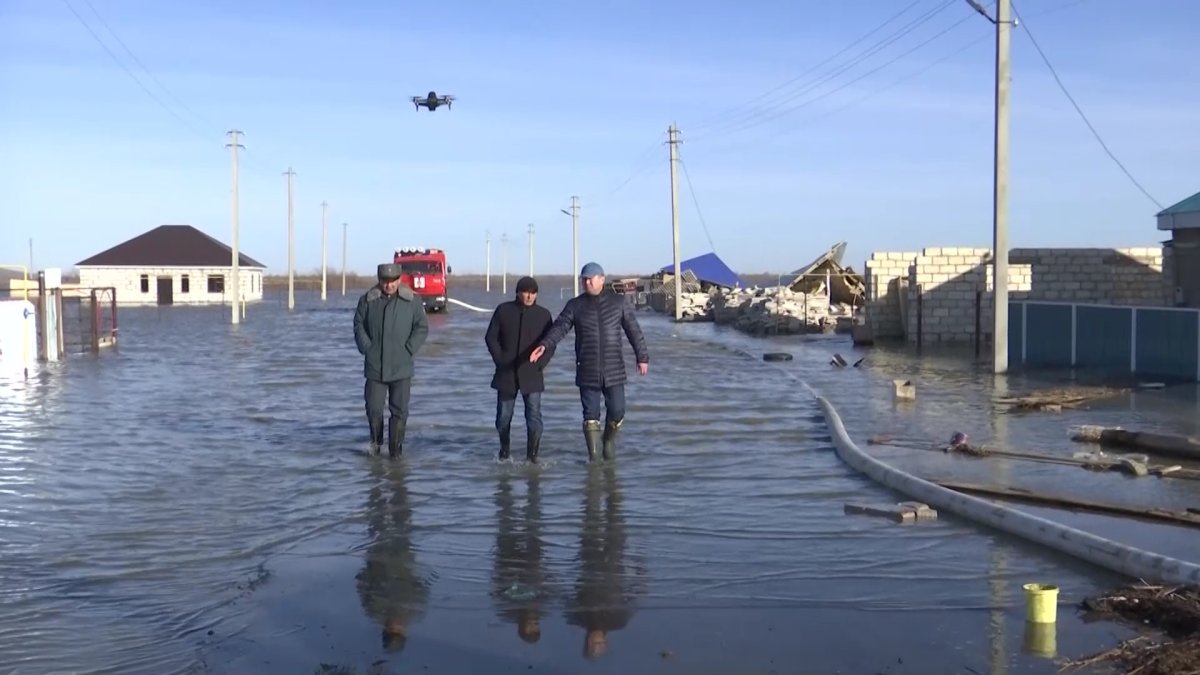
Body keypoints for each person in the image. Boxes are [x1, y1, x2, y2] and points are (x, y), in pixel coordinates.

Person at [530, 262, 648, 462]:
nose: (586, 282)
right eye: (583, 279)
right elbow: (560, 327)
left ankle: (608, 442)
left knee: (618, 410)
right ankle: (594, 458)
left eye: (590, 278)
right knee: (590, 415)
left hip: (614, 369)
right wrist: (545, 345)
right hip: (587, 368)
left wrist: (642, 357)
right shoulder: (575, 305)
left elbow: (633, 330)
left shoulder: (618, 302)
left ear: (601, 279)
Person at [354, 263, 429, 457]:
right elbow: (358, 324)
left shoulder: (411, 301)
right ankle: (376, 444)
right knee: (373, 408)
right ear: (379, 281)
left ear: (400, 279)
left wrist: (409, 348)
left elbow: (421, 327)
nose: (389, 285)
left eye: (393, 281)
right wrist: (367, 347)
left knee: (400, 411)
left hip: (401, 366)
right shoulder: (367, 301)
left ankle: (396, 451)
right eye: (385, 281)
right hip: (375, 366)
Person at [484, 276, 555, 461]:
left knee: (534, 417)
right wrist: (500, 359)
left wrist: (540, 363)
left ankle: (532, 456)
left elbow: (550, 344)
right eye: (526, 292)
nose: (529, 296)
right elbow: (491, 337)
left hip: (532, 374)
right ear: (518, 292)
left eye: (533, 293)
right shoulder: (503, 310)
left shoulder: (544, 315)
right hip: (506, 374)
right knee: (503, 418)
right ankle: (504, 451)